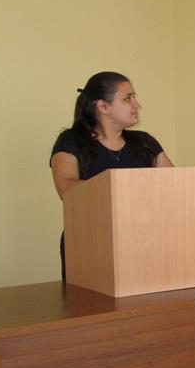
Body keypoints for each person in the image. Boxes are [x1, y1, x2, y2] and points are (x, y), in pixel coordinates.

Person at [50, 71, 173, 279]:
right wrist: (121, 187)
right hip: (89, 242)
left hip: (144, 241)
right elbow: (66, 188)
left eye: (134, 98)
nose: (137, 105)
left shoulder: (145, 142)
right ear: (103, 106)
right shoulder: (72, 141)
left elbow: (174, 183)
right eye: (128, 98)